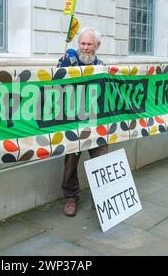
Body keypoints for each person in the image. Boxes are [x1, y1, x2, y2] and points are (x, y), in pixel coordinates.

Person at [57, 27, 108, 217]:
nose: (85, 48)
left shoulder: (101, 65)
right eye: (83, 43)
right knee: (71, 161)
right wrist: (61, 65)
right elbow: (56, 81)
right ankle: (71, 197)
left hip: (95, 123)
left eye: (89, 44)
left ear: (97, 45)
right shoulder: (69, 60)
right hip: (74, 122)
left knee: (102, 159)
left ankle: (102, 197)